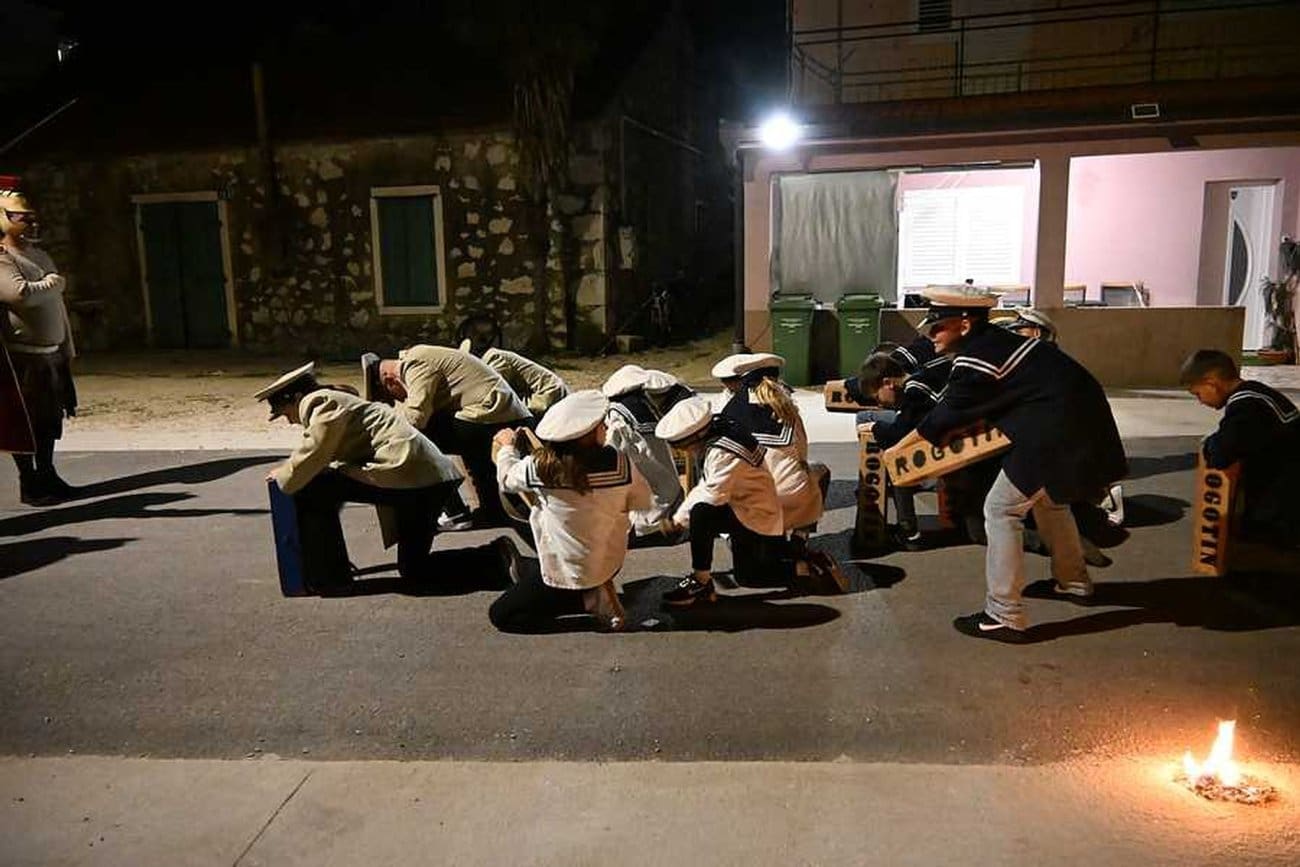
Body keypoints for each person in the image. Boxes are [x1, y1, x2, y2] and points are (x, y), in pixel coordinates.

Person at [916, 286, 1127, 642]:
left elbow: (941, 421)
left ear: (964, 325)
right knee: (1049, 502)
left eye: (937, 326)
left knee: (1001, 510)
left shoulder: (977, 359)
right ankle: (1073, 581)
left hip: (1054, 433)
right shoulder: (997, 341)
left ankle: (1004, 614)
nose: (930, 334)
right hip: (1077, 427)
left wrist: (893, 447)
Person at [257, 363, 464, 590]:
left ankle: (327, 575)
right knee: (415, 569)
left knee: (315, 488)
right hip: (430, 479)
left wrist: (283, 475)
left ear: (297, 397)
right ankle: (488, 559)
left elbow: (315, 450)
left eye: (286, 413)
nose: (290, 421)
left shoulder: (321, 402)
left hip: (413, 479)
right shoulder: (337, 399)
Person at [489, 390, 651, 632]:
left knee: (502, 615)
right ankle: (589, 586)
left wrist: (507, 447)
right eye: (601, 424)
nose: (606, 427)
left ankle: (587, 599)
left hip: (568, 567)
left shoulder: (540, 467)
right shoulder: (621, 463)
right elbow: (642, 500)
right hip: (609, 558)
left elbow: (506, 480)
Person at [364, 344, 530, 528]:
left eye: (392, 397)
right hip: (496, 415)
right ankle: (492, 511)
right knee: (452, 438)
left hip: (495, 416)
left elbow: (416, 417)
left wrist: (384, 436)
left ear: (389, 381)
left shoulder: (415, 364)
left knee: (414, 439)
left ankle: (455, 512)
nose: (400, 400)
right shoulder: (417, 359)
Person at [655, 396, 788, 605]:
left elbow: (712, 494)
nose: (684, 451)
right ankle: (798, 562)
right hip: (742, 507)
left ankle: (701, 582)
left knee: (701, 514)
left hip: (755, 513)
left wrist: (678, 521)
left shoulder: (723, 451)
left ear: (697, 436)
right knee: (748, 575)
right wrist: (679, 517)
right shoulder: (720, 430)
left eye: (684, 446)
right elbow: (708, 484)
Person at [0, 189, 78, 506]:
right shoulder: (3, 259)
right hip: (22, 358)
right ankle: (28, 480)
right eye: (23, 218)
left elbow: (55, 305)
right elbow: (20, 294)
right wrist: (53, 283)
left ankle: (47, 473)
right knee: (25, 422)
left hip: (51, 355)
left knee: (50, 420)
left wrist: (66, 348)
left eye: (33, 218)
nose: (32, 224)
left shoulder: (40, 255)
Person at [1181, 349, 1300, 547]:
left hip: (1283, 506)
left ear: (1212, 383)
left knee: (1253, 547)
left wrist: (1208, 443)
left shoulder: (1246, 406)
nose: (1200, 401)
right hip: (1285, 490)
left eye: (1198, 394)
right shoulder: (1256, 393)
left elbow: (1220, 454)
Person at [855, 349, 955, 550]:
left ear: (887, 383)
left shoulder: (916, 392)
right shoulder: (920, 378)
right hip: (945, 427)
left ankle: (909, 531)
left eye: (877, 397)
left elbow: (902, 432)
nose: (879, 403)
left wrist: (875, 429)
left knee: (895, 459)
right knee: (869, 421)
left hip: (945, 437)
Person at [719, 353, 826, 536]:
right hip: (786, 496)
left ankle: (732, 536)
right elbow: (802, 454)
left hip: (740, 499)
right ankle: (800, 537)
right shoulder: (787, 411)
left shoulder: (729, 411)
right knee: (820, 471)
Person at [601, 364, 693, 542]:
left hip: (644, 485)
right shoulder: (645, 407)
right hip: (667, 484)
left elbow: (613, 450)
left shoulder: (618, 412)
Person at [459, 338, 570, 418]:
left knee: (504, 409)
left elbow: (496, 393)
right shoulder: (490, 360)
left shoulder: (495, 358)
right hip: (535, 394)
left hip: (548, 394)